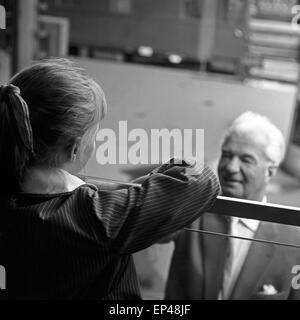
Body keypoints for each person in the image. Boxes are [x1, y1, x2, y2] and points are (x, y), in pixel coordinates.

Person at [0, 58, 220, 299]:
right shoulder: (92, 215)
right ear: (75, 148)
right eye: (94, 133)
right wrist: (157, 175)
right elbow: (200, 178)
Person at [165, 112, 300, 300]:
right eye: (227, 155)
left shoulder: (294, 240)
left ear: (270, 171)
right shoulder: (194, 212)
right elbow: (141, 230)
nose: (231, 167)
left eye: (246, 160)